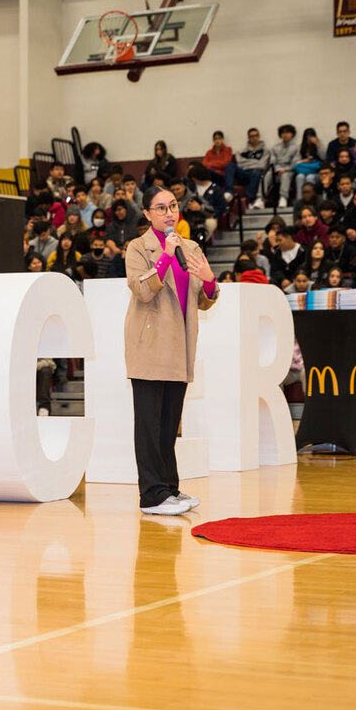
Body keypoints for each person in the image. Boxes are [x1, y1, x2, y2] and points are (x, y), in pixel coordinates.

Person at [125, 185, 219, 515]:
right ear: (148, 214)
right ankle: (151, 495)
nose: (169, 212)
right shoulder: (138, 248)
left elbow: (205, 300)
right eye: (161, 207)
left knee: (168, 424)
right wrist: (165, 255)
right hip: (150, 348)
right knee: (149, 425)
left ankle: (170, 489)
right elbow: (142, 291)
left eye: (173, 206)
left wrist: (209, 280)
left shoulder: (191, 247)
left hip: (179, 348)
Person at [225, 127, 269, 209]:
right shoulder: (242, 151)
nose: (254, 138)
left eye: (256, 135)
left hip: (256, 174)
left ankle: (249, 200)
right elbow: (240, 163)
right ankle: (229, 192)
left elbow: (262, 165)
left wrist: (247, 162)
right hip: (243, 173)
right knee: (230, 165)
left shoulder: (265, 151)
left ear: (259, 137)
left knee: (256, 173)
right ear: (248, 138)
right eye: (251, 136)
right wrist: (255, 162)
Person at [268, 123, 299, 208]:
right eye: (283, 133)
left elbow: (295, 162)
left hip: (289, 171)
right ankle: (260, 199)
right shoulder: (275, 148)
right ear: (280, 135)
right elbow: (272, 161)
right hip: (277, 170)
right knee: (267, 175)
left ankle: (283, 198)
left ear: (292, 134)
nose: (285, 135)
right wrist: (277, 169)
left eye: (288, 132)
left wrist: (285, 169)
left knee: (285, 175)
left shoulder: (296, 148)